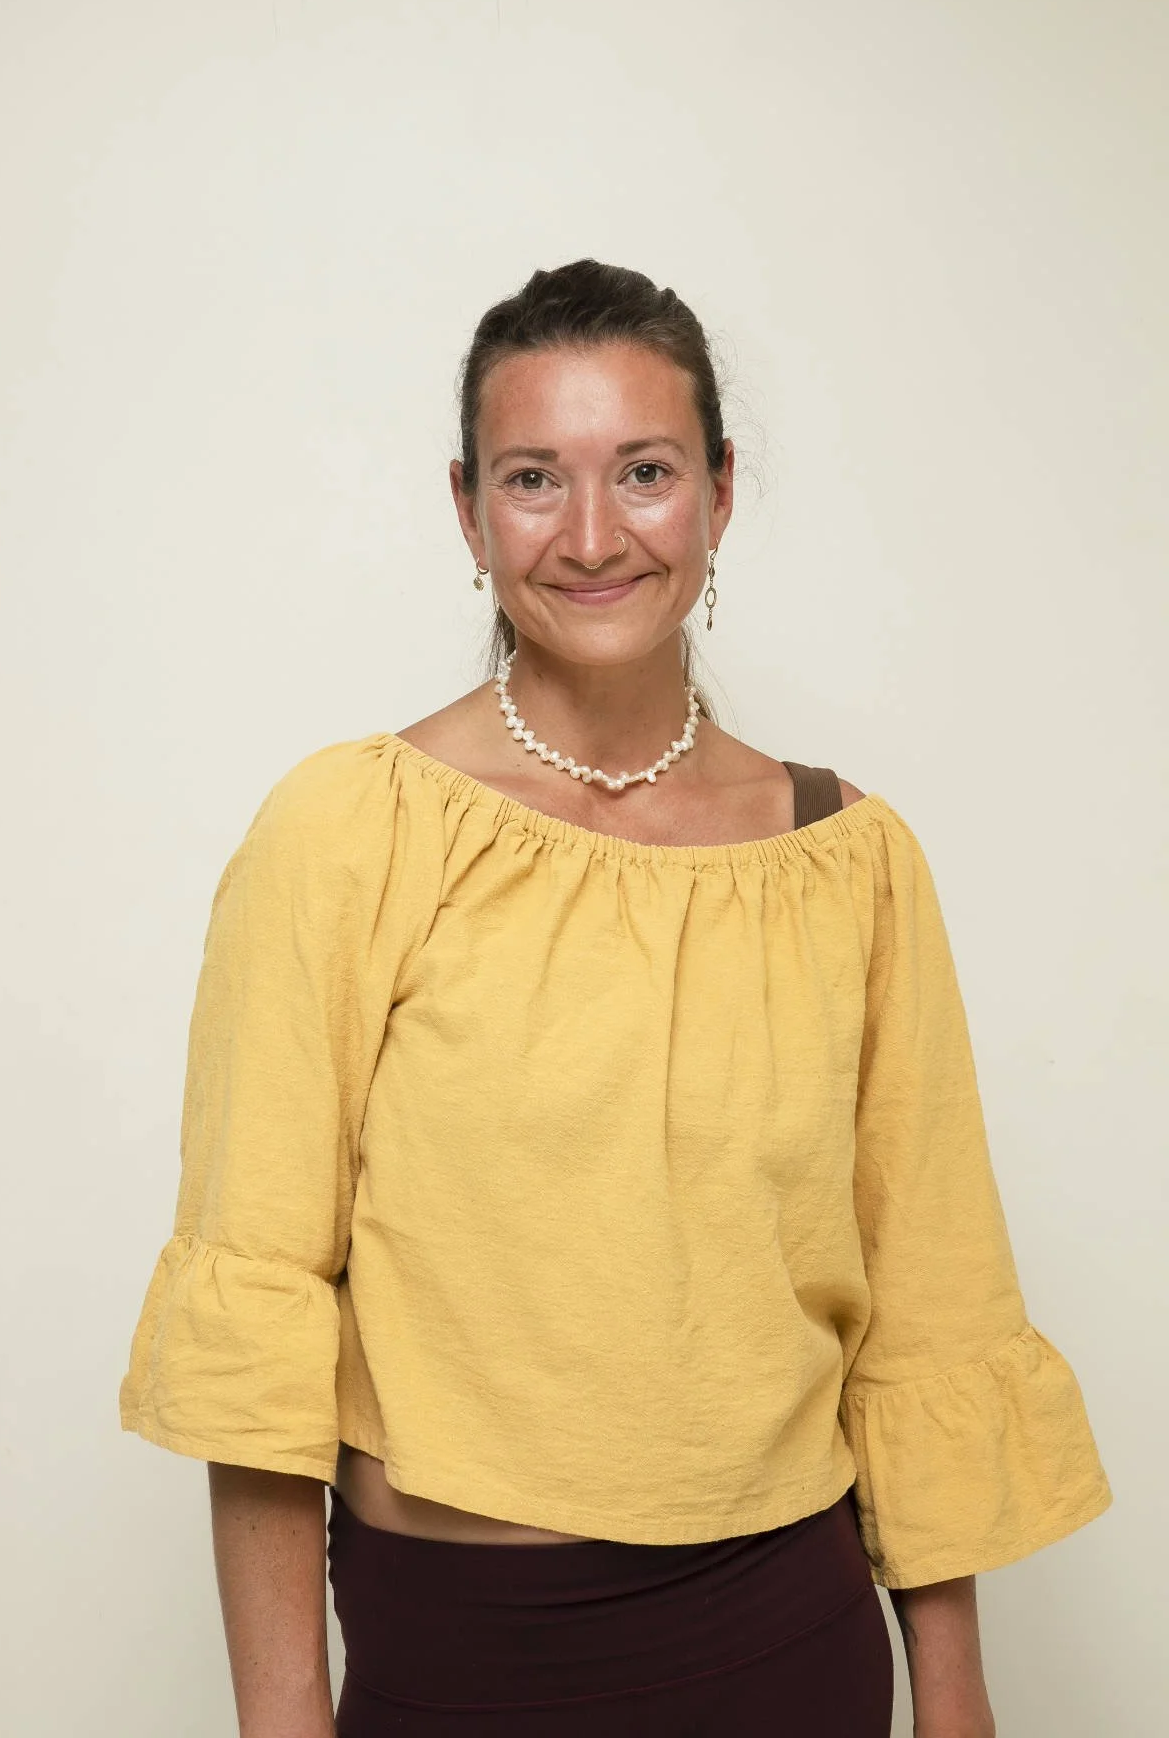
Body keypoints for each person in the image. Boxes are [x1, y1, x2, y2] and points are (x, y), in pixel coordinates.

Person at [119, 258, 1112, 1737]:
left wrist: (954, 1703)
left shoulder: (850, 860)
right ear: (467, 510)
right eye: (535, 479)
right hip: (461, 1647)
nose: (592, 537)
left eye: (644, 472)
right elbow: (258, 1322)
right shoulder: (351, 832)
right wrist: (283, 1719)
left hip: (788, 1636)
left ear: (720, 491)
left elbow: (930, 1314)